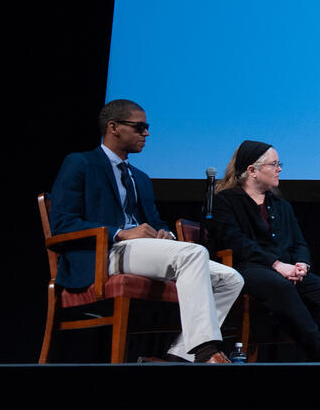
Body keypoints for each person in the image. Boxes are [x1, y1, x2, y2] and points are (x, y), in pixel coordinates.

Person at [49, 99, 243, 363]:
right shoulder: (81, 163)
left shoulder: (139, 177)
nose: (147, 133)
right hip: (103, 252)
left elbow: (156, 222)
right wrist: (120, 233)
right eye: (140, 127)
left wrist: (166, 234)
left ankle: (180, 355)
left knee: (231, 279)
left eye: (147, 127)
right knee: (194, 253)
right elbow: (63, 223)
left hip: (139, 250)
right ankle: (206, 350)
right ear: (113, 127)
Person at [213, 140, 320, 362]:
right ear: (252, 170)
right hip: (248, 268)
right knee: (280, 286)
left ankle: (318, 359)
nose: (279, 169)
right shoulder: (226, 201)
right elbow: (236, 242)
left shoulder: (281, 205)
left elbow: (299, 243)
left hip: (285, 269)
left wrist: (302, 265)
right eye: (274, 164)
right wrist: (276, 265)